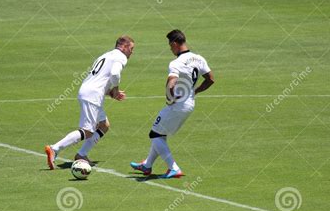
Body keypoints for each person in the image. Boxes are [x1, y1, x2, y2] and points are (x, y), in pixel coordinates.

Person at [130, 30, 214, 178]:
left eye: (170, 45)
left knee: (154, 134)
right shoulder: (199, 58)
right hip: (189, 104)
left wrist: (170, 97)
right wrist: (196, 91)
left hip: (178, 105)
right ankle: (147, 165)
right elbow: (210, 79)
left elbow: (171, 81)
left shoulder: (177, 62)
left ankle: (174, 168)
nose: (170, 49)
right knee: (160, 133)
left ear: (175, 43)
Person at [45, 35, 135, 169]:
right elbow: (115, 74)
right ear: (124, 46)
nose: (131, 52)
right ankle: (55, 148)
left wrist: (110, 92)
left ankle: (82, 154)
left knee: (104, 125)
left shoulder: (105, 55)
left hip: (88, 92)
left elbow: (99, 80)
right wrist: (115, 89)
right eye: (131, 49)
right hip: (92, 96)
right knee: (88, 131)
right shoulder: (120, 56)